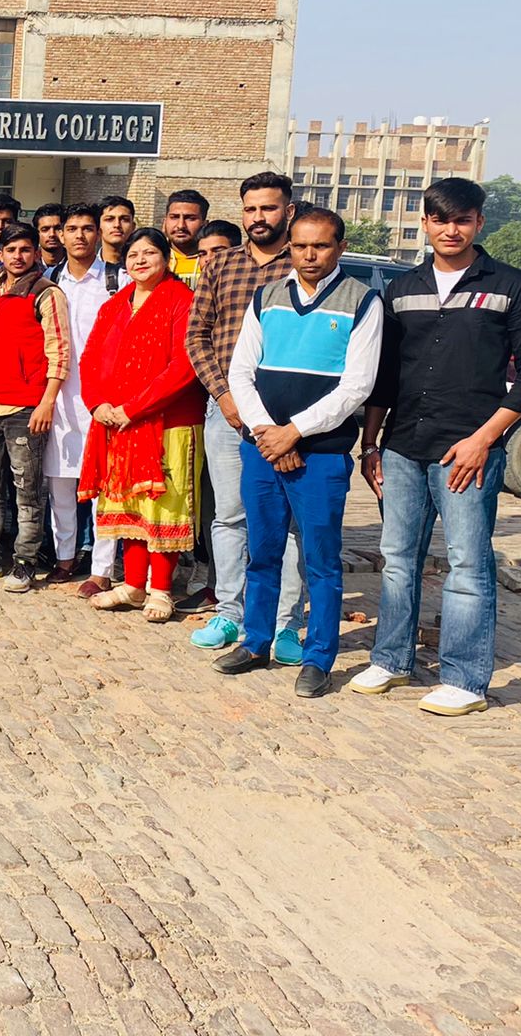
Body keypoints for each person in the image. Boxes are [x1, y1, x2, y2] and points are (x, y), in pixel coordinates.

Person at [352, 178, 521, 716]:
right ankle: (392, 660)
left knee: (467, 563)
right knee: (397, 559)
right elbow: (384, 377)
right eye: (440, 220)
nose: (450, 229)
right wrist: (371, 446)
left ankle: (466, 679)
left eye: (462, 220)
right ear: (424, 224)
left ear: (479, 223)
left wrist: (483, 440)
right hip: (403, 446)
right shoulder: (401, 288)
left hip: (467, 451)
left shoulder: (512, 285)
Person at [214, 207, 383, 696]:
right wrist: (269, 431)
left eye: (322, 245)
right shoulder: (267, 297)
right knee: (262, 551)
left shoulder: (362, 301)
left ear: (340, 247)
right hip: (263, 448)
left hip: (322, 455)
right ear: (289, 245)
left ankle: (319, 656)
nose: (310, 255)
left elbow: (357, 387)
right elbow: (241, 371)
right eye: (301, 245)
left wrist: (296, 432)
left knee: (322, 559)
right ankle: (256, 640)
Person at [185, 171, 308, 653]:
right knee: (230, 516)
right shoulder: (220, 266)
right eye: (252, 209)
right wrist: (225, 396)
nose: (259, 218)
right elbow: (197, 336)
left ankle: (284, 623)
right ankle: (230, 614)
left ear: (289, 211)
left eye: (269, 208)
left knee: (288, 522)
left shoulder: (303, 267)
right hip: (227, 413)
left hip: (285, 418)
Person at [79, 228, 205, 622]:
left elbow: (183, 368)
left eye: (149, 253)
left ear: (166, 259)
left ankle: (161, 590)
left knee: (163, 506)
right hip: (116, 422)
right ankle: (133, 586)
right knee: (130, 504)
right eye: (133, 254)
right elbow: (89, 358)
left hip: (168, 421)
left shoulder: (182, 302)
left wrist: (134, 408)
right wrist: (97, 404)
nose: (140, 260)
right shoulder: (114, 305)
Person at [0, 223, 70, 593]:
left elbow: (60, 351)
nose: (17, 257)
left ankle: (24, 562)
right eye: (11, 250)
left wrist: (47, 401)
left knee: (27, 489)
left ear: (35, 253)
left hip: (26, 406)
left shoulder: (47, 294)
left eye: (25, 250)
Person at [43, 202, 118, 593]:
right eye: (71, 229)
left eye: (87, 228)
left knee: (105, 487)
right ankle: (64, 557)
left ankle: (101, 568)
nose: (79, 236)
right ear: (61, 235)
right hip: (57, 396)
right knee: (60, 485)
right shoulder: (49, 279)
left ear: (98, 233)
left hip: (103, 398)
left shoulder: (117, 280)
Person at [175, 216, 245, 615]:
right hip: (203, 412)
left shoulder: (243, 293)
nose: (209, 261)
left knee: (234, 507)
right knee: (211, 507)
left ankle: (232, 590)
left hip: (239, 410)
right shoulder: (196, 297)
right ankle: (214, 582)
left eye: (218, 252)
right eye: (202, 255)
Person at [163, 188, 209, 289]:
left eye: (190, 218)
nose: (181, 225)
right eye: (174, 217)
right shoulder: (153, 260)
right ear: (165, 221)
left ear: (204, 224)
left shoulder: (214, 260)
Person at [98, 195, 136, 268]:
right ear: (98, 226)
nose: (117, 225)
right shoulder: (88, 268)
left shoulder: (141, 269)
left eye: (124, 219)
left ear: (133, 227)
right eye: (109, 219)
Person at [32, 203, 65, 270]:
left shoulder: (78, 263)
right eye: (45, 229)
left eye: (58, 228)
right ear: (37, 233)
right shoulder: (28, 264)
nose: (52, 234)